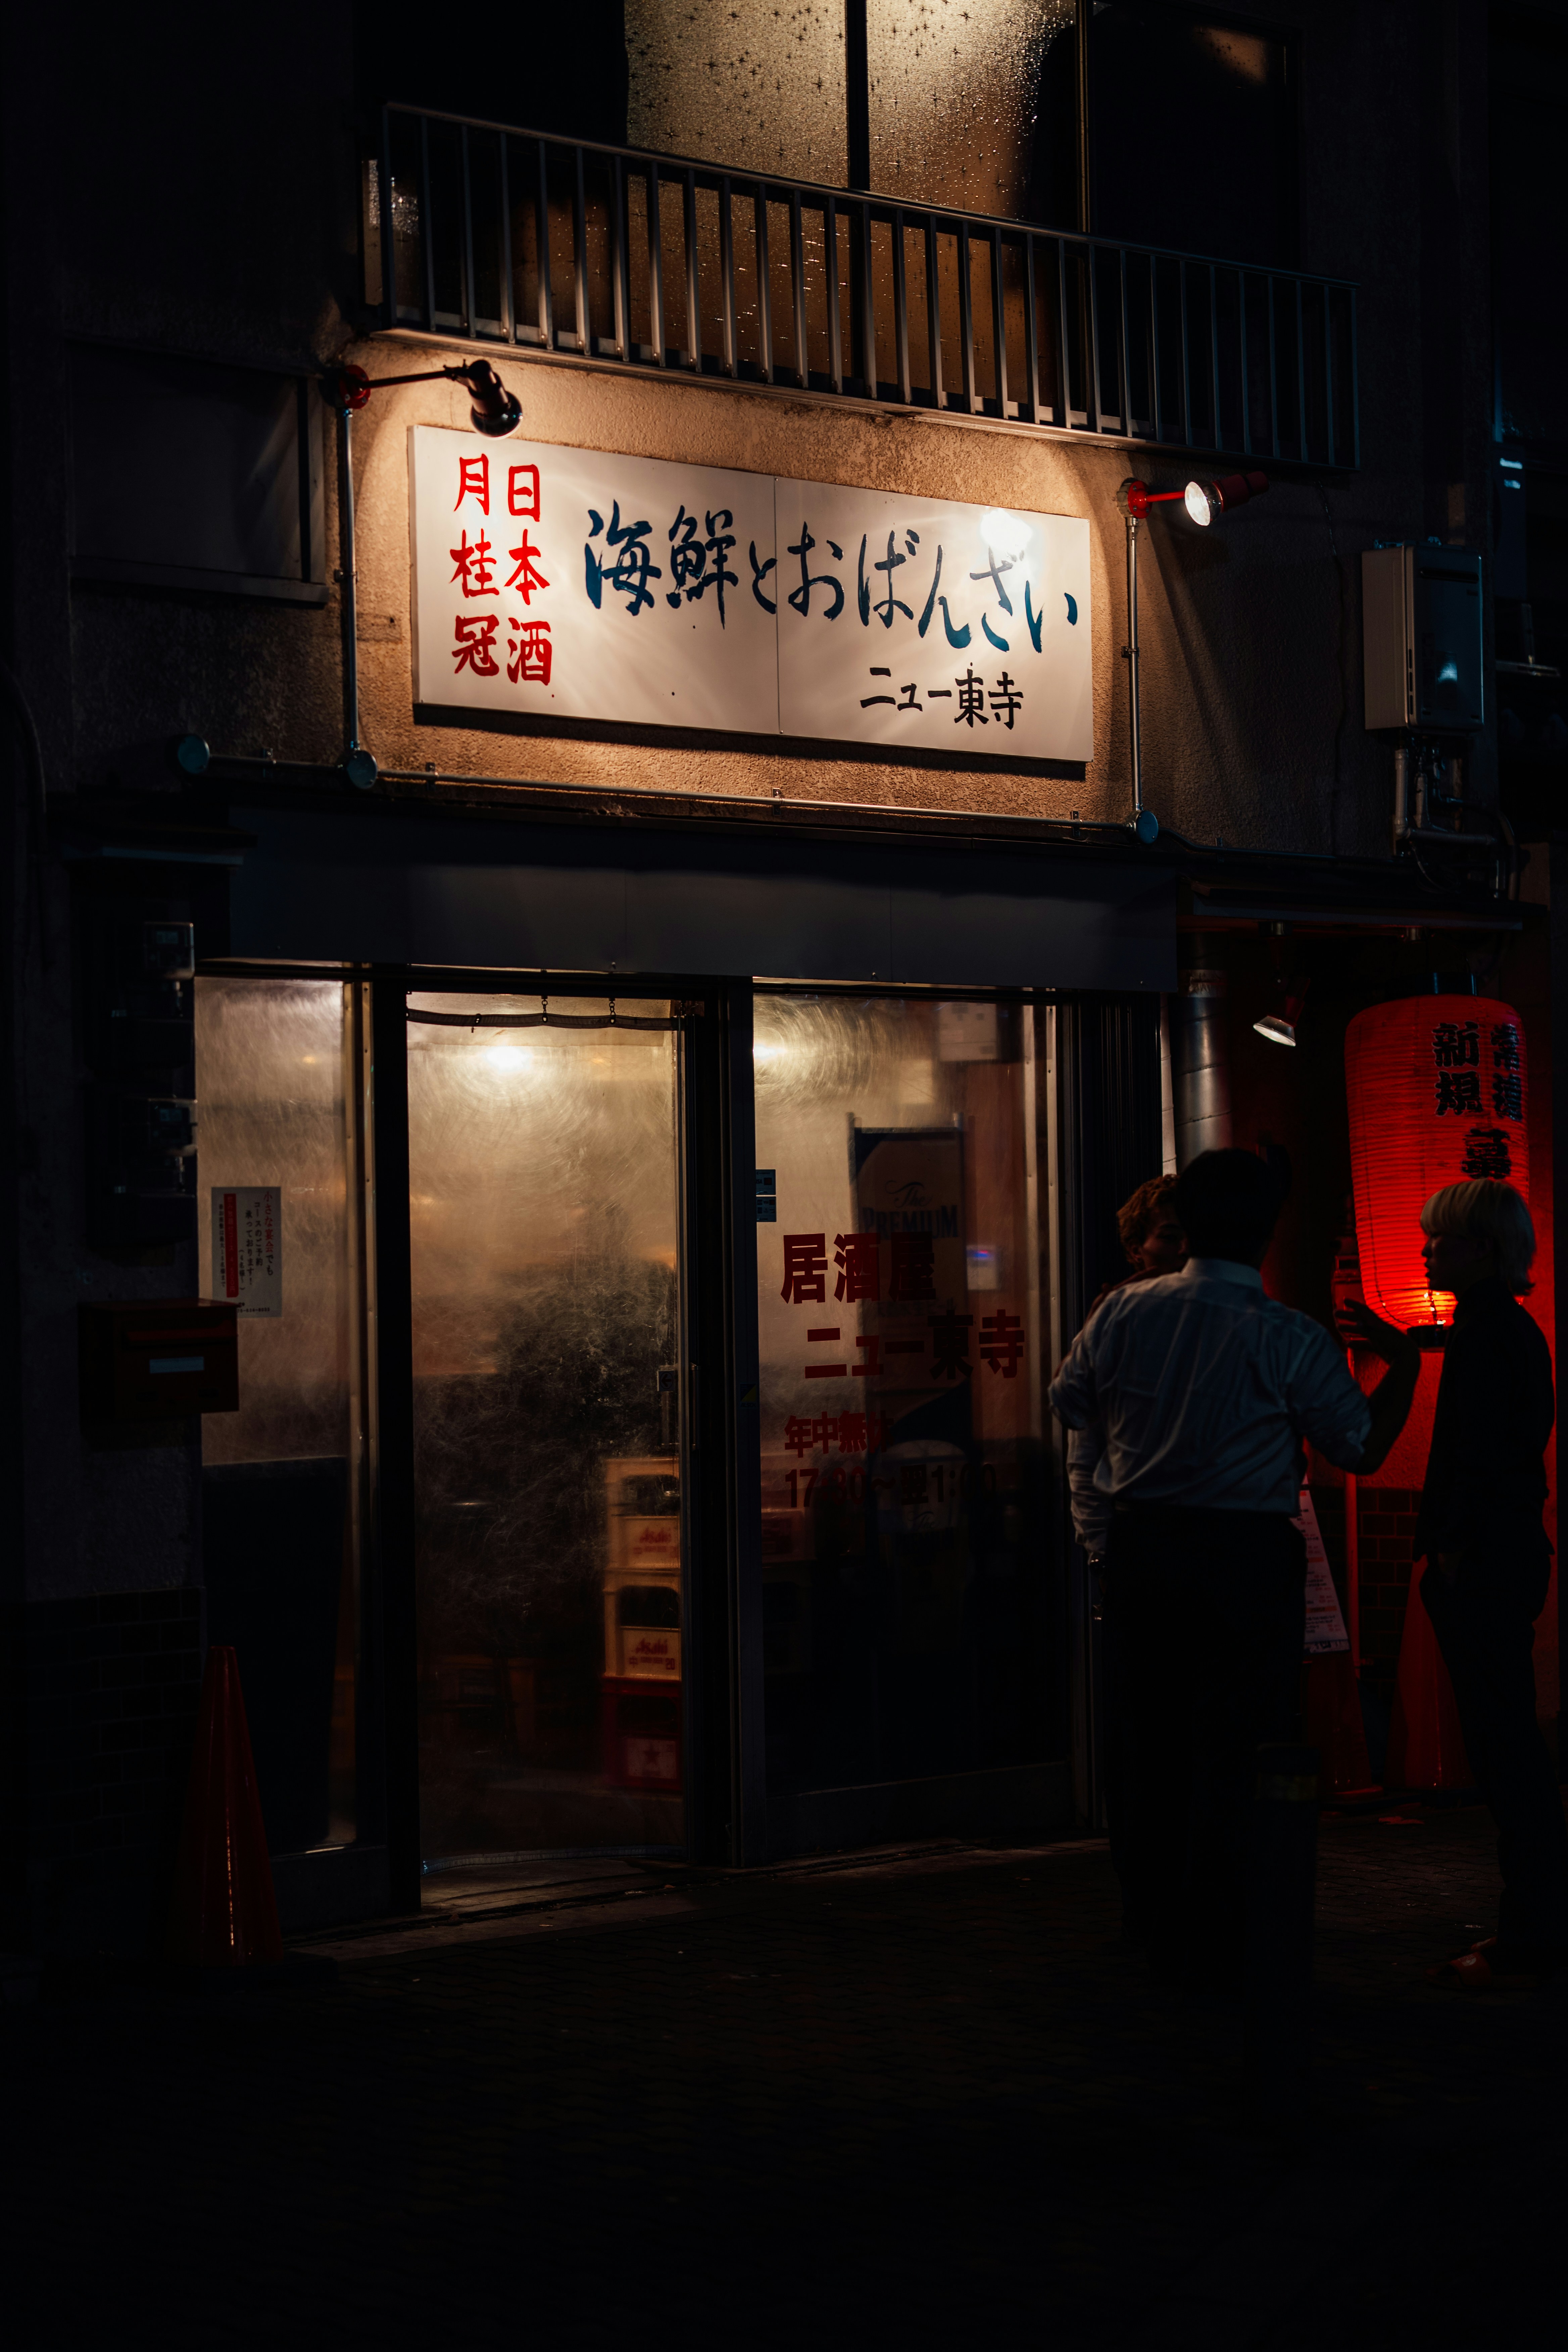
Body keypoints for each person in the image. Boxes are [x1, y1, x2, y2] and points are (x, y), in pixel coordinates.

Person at [1051, 1147, 1419, 1966]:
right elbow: (1356, 1448)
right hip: (1248, 1558)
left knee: (1146, 1744)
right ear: (1265, 1232)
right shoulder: (1289, 1335)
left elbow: (1070, 1402)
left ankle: (1149, 1926)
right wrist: (1400, 1367)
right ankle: (1227, 1926)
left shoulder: (1120, 1315)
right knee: (1241, 1743)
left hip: (1145, 1546)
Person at [1343, 1179, 1568, 1979]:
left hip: (1482, 1562)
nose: (1425, 1250)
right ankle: (1536, 1918)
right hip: (1501, 1556)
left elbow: (1477, 1460)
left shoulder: (1485, 1334)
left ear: (1477, 1247)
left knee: (1503, 1747)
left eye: (1436, 1239)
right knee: (1508, 1745)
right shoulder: (1505, 1329)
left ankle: (1534, 1926)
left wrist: (1446, 1551)